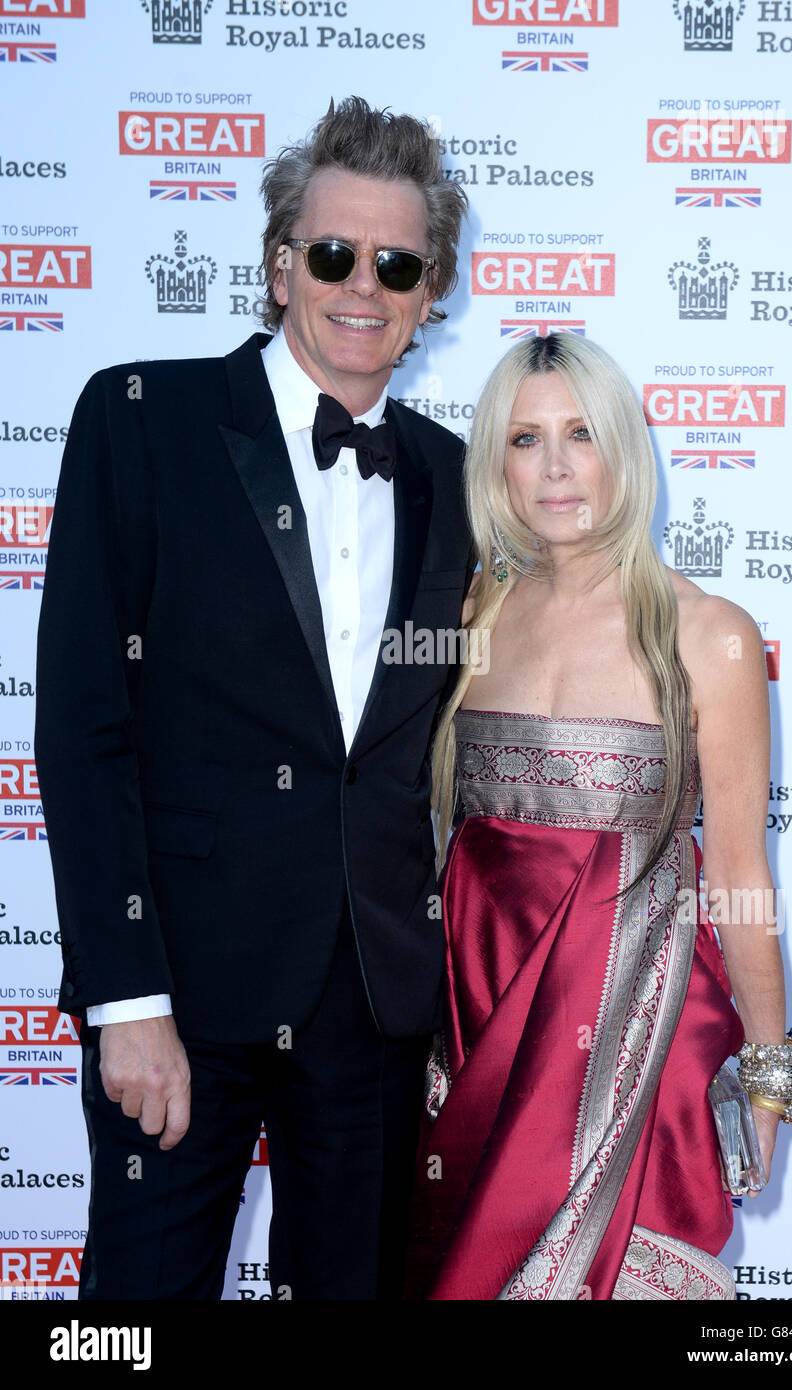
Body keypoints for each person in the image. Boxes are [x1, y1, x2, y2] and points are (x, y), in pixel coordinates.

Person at [34, 96, 472, 1301]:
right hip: (179, 985)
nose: (362, 286)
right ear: (279, 267)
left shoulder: (455, 475)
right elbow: (82, 734)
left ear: (430, 290)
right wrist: (126, 1000)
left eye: (397, 264)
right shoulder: (142, 422)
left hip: (374, 1006)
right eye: (332, 254)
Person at [404, 332, 792, 1301]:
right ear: (493, 462)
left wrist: (765, 1070)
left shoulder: (707, 634)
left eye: (579, 434)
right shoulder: (467, 617)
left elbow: (742, 877)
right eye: (522, 438)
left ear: (621, 447)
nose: (552, 467)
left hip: (642, 1033)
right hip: (476, 1023)